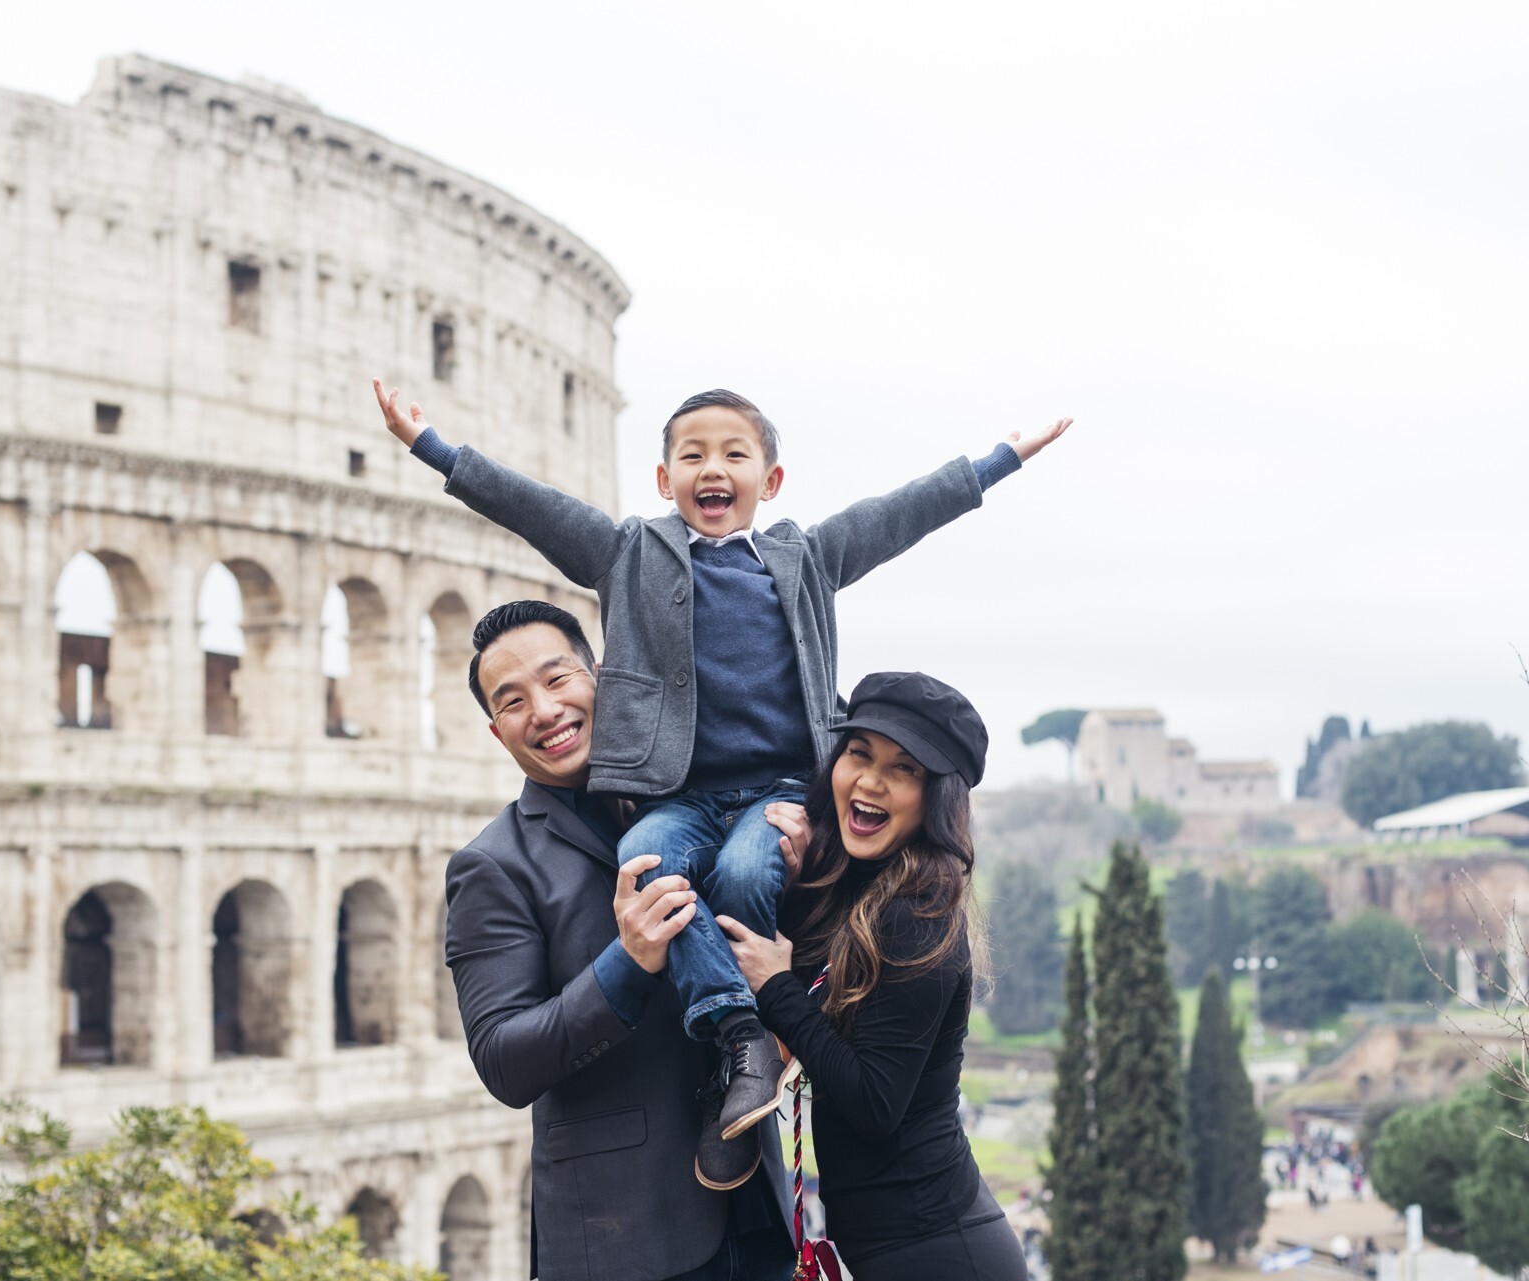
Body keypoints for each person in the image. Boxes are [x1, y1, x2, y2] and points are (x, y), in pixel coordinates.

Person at [374, 378, 1069, 1175]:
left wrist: (996, 462)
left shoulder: (803, 557)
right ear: (663, 479)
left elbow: (898, 515)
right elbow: (533, 509)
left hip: (773, 790)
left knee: (745, 869)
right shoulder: (629, 552)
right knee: (646, 860)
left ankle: (752, 1037)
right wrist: (436, 449)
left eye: (734, 453)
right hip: (684, 795)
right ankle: (740, 1033)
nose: (713, 467)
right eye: (691, 454)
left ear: (770, 482)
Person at [441, 600, 792, 1281]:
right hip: (626, 1242)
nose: (543, 710)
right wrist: (626, 965)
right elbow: (504, 1060)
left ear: (600, 676)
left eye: (557, 678)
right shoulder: (493, 865)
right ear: (496, 730)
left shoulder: (702, 810)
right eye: (512, 701)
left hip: (755, 1217)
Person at [720, 672, 1025, 1280]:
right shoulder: (865, 890)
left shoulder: (918, 916)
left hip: (940, 1253)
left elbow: (873, 1103)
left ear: (936, 797)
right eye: (859, 753)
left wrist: (776, 988)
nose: (870, 781)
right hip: (899, 1249)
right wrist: (800, 882)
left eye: (905, 768)